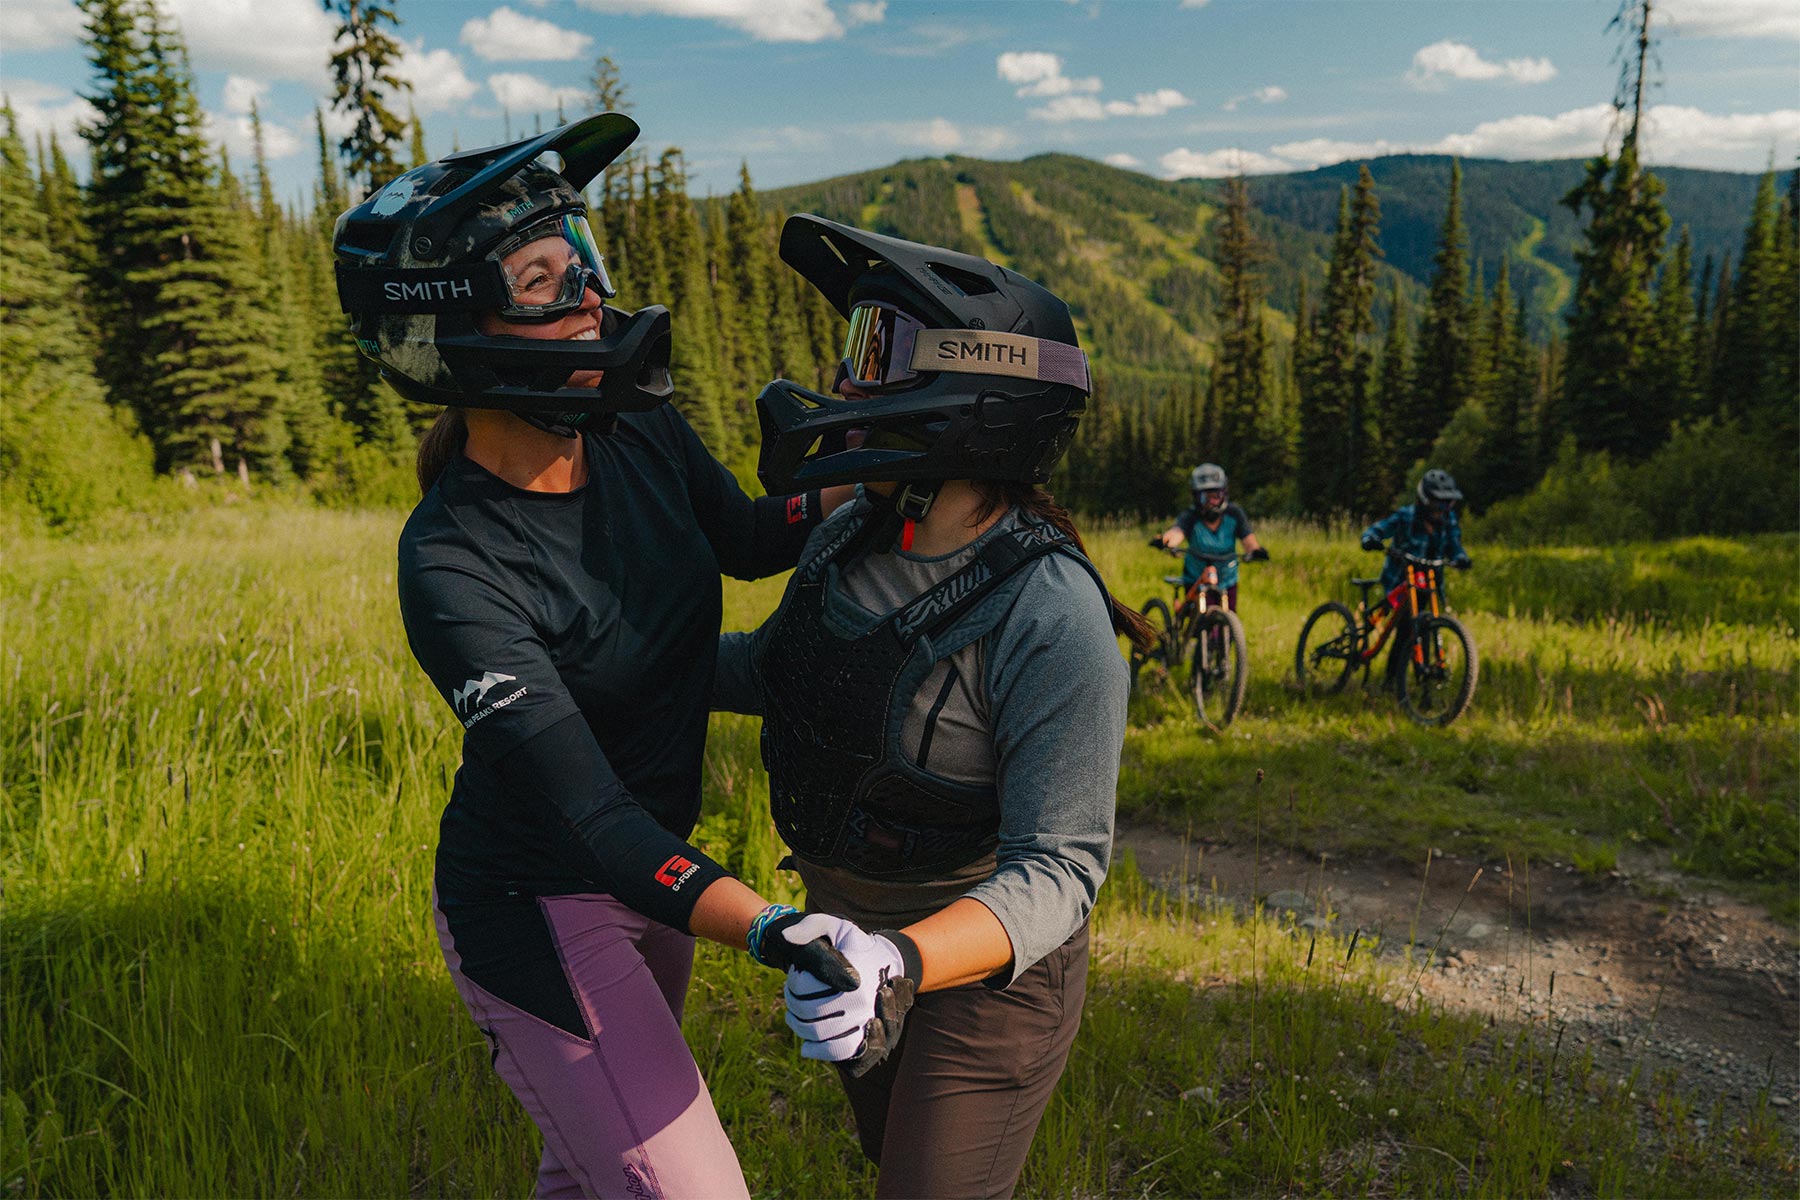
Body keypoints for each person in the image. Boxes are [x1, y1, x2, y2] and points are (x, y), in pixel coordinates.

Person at [334, 114, 866, 1200]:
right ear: (448, 329)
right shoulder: (454, 561)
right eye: (540, 280)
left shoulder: (630, 429)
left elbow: (746, 537)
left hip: (654, 872)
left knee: (594, 1177)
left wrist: (875, 478)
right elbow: (594, 820)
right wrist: (773, 926)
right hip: (540, 905)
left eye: (582, 257)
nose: (588, 295)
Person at [712, 216, 1154, 1199]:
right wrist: (604, 661)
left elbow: (1062, 868)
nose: (846, 385)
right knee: (895, 1162)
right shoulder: (852, 533)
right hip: (853, 945)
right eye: (854, 347)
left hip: (985, 971)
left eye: (876, 353)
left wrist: (900, 961)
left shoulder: (1049, 611)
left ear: (972, 398)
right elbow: (773, 672)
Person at [1359, 468, 1472, 684]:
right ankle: (1392, 681)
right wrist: (1370, 538)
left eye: (1448, 503)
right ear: (1425, 500)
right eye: (1439, 503)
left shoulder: (1448, 520)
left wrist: (1460, 558)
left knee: (1423, 626)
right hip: (1400, 582)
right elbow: (1379, 529)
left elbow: (1454, 545)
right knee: (1406, 628)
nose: (1443, 508)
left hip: (1428, 585)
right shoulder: (1406, 516)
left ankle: (1413, 679)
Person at [1156, 462, 1268, 610]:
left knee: (1229, 619)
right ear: (1196, 497)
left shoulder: (1234, 514)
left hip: (1227, 578)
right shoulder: (1191, 516)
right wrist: (1165, 541)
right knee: (1200, 618)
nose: (1211, 502)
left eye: (1216, 496)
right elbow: (1177, 533)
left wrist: (1255, 551)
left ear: (1224, 494)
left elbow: (1249, 541)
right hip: (1197, 577)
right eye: (1205, 497)